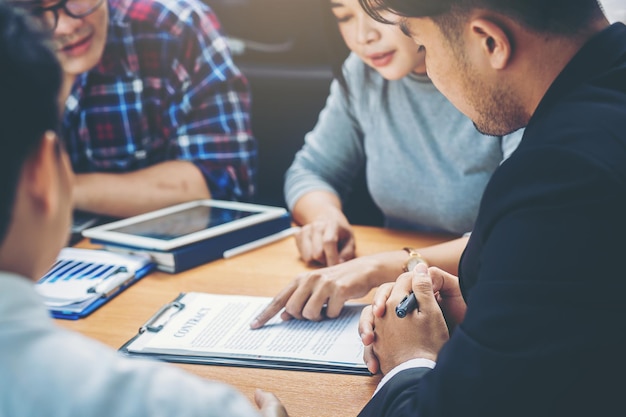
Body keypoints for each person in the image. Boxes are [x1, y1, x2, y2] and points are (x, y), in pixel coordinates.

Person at [258, 0, 626, 415]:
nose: (428, 68)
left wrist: (410, 357)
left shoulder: (558, 178)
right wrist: (479, 302)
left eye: (425, 46)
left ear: (489, 41)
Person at [0, 4, 275, 416]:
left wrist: (73, 186)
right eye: (40, 11)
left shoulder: (172, 25)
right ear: (43, 173)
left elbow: (225, 177)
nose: (67, 24)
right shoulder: (174, 404)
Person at [250, 0, 522, 328]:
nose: (364, 35)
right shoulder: (362, 73)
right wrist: (325, 218)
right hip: (400, 297)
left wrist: (386, 267)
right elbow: (311, 170)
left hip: (484, 295)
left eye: (379, 11)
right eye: (345, 16)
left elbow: (518, 230)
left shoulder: (499, 81)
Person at [10, 0, 256, 219]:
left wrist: (58, 189)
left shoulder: (173, 25)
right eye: (34, 10)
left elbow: (223, 184)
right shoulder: (9, 42)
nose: (64, 27)